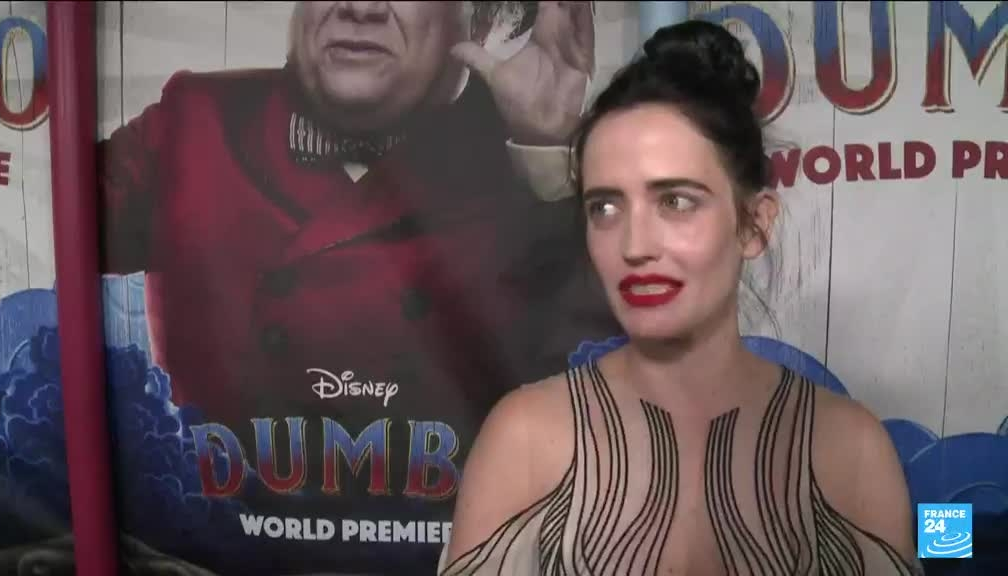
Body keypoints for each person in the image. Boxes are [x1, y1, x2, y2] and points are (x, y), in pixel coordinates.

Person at [98, 1, 619, 573]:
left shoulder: (528, 157)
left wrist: (548, 152)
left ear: (487, 18)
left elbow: (606, 375)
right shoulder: (192, 120)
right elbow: (53, 221)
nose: (360, 8)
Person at [440, 20, 923, 575]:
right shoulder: (523, 439)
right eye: (605, 207)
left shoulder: (854, 451)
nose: (635, 246)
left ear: (754, 225)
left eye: (675, 201)